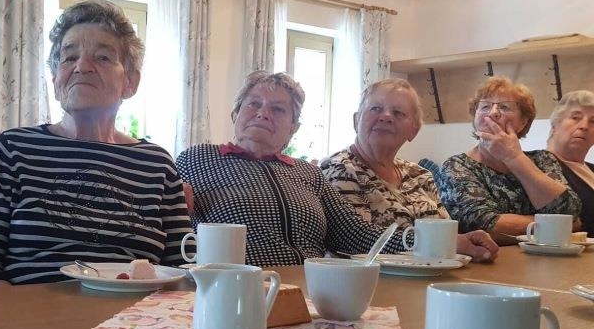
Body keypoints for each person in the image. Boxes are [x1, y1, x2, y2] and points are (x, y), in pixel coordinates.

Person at [0, 0, 191, 289]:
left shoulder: (156, 163)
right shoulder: (13, 148)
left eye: (103, 57)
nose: (82, 67)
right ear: (56, 80)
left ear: (130, 82)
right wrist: (12, 312)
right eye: (69, 58)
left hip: (135, 312)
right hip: (29, 311)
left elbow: (183, 264)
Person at [176, 71, 498, 266]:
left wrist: (440, 242)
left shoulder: (307, 173)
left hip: (311, 294)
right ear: (236, 115)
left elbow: (356, 236)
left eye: (278, 109)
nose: (263, 113)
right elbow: (168, 225)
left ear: (293, 128)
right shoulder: (197, 159)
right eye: (253, 104)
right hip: (241, 289)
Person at [437, 76, 581, 238]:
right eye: (485, 106)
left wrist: (514, 158)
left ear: (523, 122)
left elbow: (569, 211)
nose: (493, 113)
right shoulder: (457, 166)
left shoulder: (543, 159)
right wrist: (559, 225)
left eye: (505, 107)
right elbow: (484, 225)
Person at [321, 79, 448, 227]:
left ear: (414, 131)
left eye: (398, 113)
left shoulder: (421, 175)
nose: (386, 116)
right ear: (356, 121)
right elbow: (358, 235)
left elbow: (448, 230)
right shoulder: (339, 170)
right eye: (375, 108)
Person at [546, 90, 594, 232]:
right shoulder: (536, 166)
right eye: (575, 117)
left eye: (593, 121)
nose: (584, 126)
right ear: (555, 125)